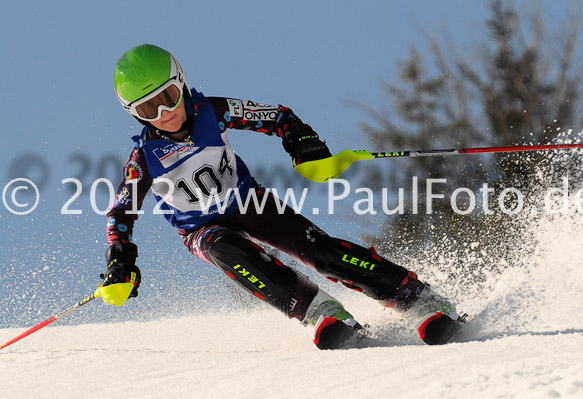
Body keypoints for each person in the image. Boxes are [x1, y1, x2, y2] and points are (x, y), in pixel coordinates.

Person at [101, 44, 463, 349]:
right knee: (225, 250)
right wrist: (121, 258)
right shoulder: (144, 159)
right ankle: (318, 311)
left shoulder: (212, 110)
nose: (164, 114)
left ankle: (416, 298)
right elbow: (120, 212)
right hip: (200, 229)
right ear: (134, 115)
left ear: (181, 83)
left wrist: (302, 141)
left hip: (247, 201)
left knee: (319, 252)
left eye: (168, 97)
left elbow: (277, 116)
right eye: (149, 109)